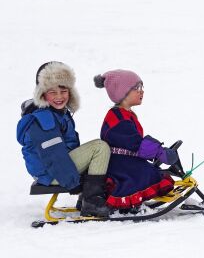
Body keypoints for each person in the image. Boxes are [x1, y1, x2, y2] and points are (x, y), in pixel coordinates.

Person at [16, 62, 112, 218]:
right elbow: (53, 155)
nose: (59, 97)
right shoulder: (44, 119)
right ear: (42, 93)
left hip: (52, 169)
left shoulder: (58, 113)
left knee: (94, 151)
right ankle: (92, 203)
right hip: (51, 172)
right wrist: (73, 182)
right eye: (52, 92)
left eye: (63, 91)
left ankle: (87, 198)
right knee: (99, 147)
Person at [94, 69, 179, 210]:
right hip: (120, 164)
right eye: (136, 88)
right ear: (122, 92)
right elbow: (135, 143)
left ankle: (136, 198)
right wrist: (160, 153)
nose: (142, 91)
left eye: (142, 87)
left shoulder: (126, 114)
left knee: (152, 171)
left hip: (128, 160)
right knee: (147, 176)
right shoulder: (118, 118)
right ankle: (129, 201)